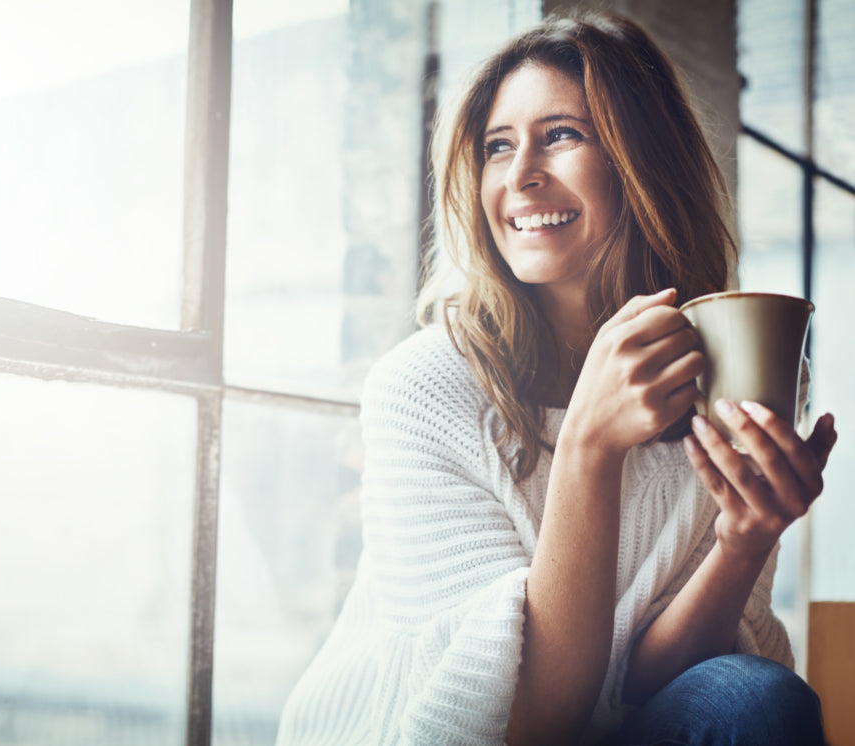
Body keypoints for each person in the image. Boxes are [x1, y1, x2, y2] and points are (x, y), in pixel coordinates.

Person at [276, 12, 838, 746]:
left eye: (563, 135)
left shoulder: (725, 378)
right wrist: (588, 448)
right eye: (497, 147)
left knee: (753, 697)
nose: (519, 175)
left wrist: (743, 540)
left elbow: (645, 688)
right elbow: (527, 724)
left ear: (645, 164)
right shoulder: (423, 388)